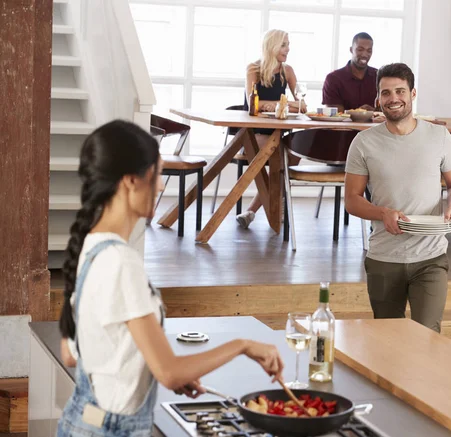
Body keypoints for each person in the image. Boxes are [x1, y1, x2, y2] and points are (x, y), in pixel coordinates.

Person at [57, 120, 284, 436]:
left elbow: (72, 353)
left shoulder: (89, 245)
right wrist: (244, 345)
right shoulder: (121, 261)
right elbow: (169, 373)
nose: (161, 186)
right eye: (157, 174)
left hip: (82, 421)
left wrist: (145, 369)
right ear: (131, 181)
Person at [344, 63, 451, 333]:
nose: (393, 98)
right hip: (384, 257)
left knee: (429, 337)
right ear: (378, 99)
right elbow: (352, 199)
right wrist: (382, 213)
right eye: (386, 93)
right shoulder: (363, 143)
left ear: (413, 93)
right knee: (388, 343)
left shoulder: (439, 136)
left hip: (431, 256)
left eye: (400, 91)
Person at [236, 29, 306, 229]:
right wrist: (281, 104)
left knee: (293, 156)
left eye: (288, 44)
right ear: (272, 46)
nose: (288, 49)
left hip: (279, 134)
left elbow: (302, 105)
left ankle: (253, 211)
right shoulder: (253, 70)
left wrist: (275, 104)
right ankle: (269, 208)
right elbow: (254, 104)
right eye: (284, 44)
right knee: (279, 159)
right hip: (254, 134)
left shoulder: (288, 71)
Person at [322, 32, 378, 114]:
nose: (365, 55)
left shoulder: (379, 77)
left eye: (369, 51)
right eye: (360, 49)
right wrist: (357, 113)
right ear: (351, 50)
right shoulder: (333, 79)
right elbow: (333, 114)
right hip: (343, 127)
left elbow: (388, 111)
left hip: (375, 126)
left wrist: (374, 112)